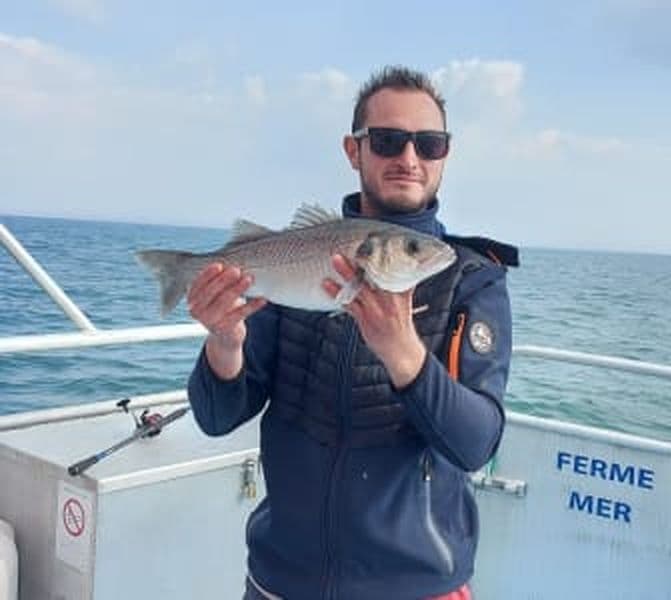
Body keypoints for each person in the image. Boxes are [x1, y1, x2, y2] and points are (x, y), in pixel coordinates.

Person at [187, 65, 517, 600]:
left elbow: (476, 444)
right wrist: (224, 344)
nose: (408, 159)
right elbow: (216, 417)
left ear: (444, 155)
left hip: (418, 587)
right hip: (280, 582)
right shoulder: (298, 267)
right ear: (353, 150)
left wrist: (404, 355)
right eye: (387, 141)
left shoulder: (473, 279)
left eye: (428, 144)